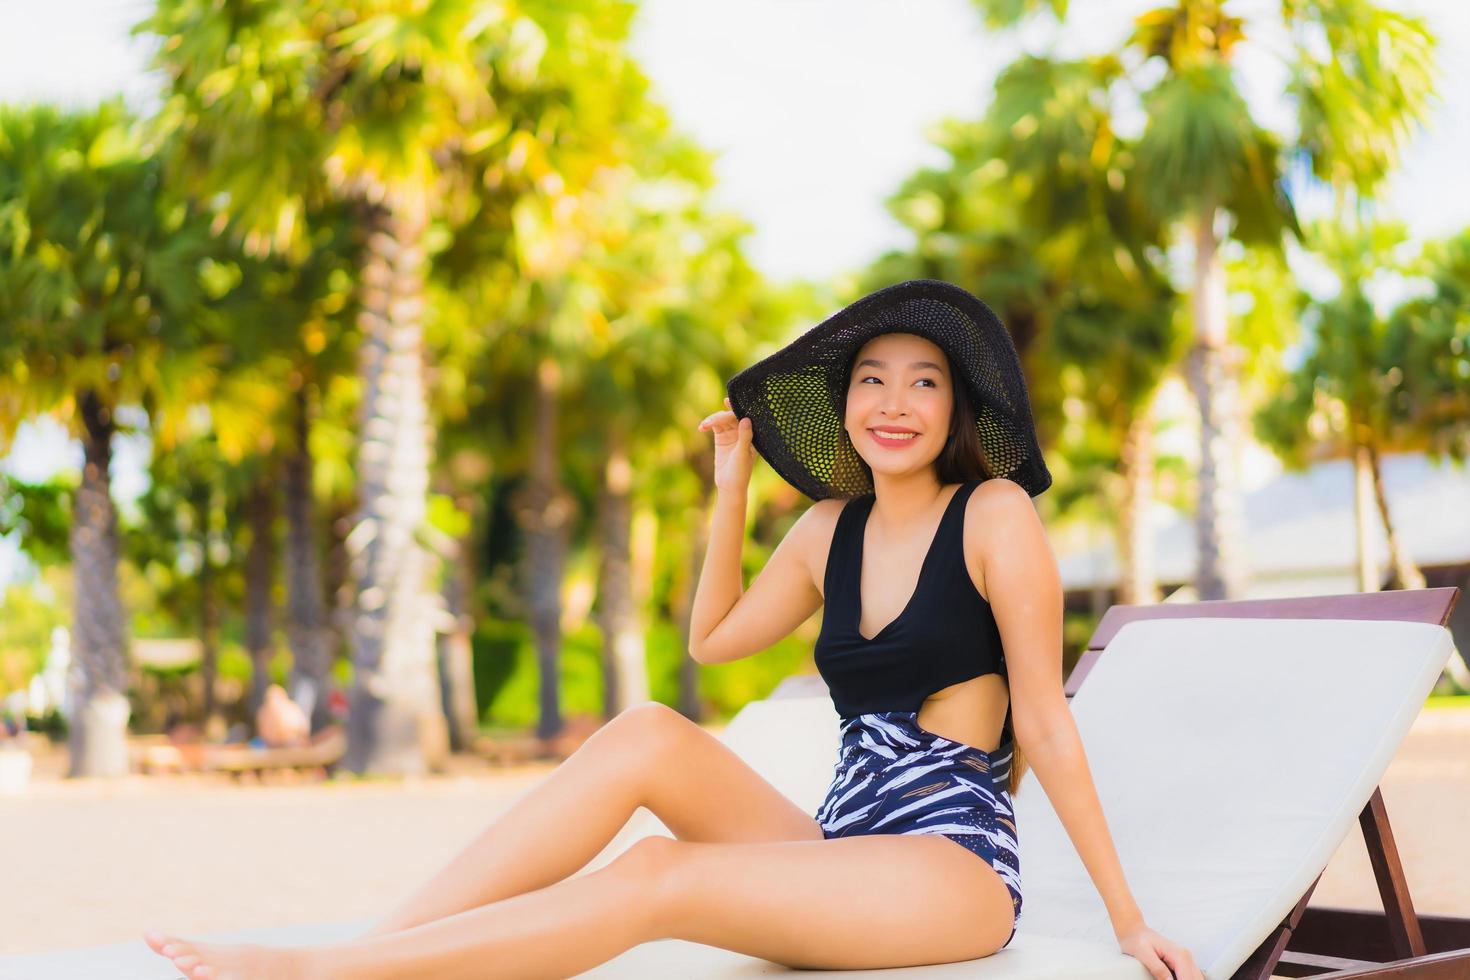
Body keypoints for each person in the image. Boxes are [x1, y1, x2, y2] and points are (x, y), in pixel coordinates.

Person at [144, 280, 1200, 979]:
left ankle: (331, 972)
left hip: (948, 862)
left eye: (923, 381)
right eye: (870, 379)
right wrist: (732, 487)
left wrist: (1127, 918)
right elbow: (715, 640)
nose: (894, 401)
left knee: (658, 875)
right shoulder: (829, 528)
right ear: (843, 409)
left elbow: (1048, 721)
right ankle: (379, 946)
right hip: (840, 843)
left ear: (956, 407)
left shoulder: (996, 516)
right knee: (649, 728)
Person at [254, 684, 311, 749]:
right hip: (271, 746)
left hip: (290, 744)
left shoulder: (291, 709)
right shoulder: (263, 712)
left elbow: (303, 731)